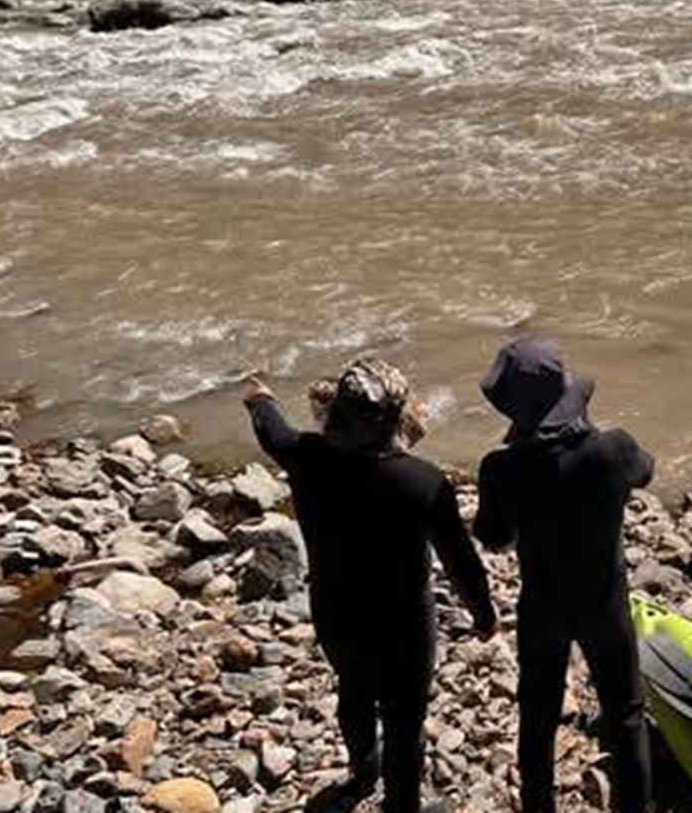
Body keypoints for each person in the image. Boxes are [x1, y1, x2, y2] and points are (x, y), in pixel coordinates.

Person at [243, 359, 497, 813]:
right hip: (403, 627)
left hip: (336, 613)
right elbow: (461, 561)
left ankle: (363, 771)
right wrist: (483, 614)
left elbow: (271, 428)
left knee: (354, 690)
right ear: (394, 421)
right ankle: (402, 805)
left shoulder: (305, 455)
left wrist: (260, 397)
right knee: (405, 723)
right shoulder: (421, 481)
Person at [473, 337, 654, 813]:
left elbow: (493, 536)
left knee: (538, 716)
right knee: (627, 716)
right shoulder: (613, 450)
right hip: (604, 602)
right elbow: (645, 472)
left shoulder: (500, 468)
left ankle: (538, 806)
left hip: (544, 607)